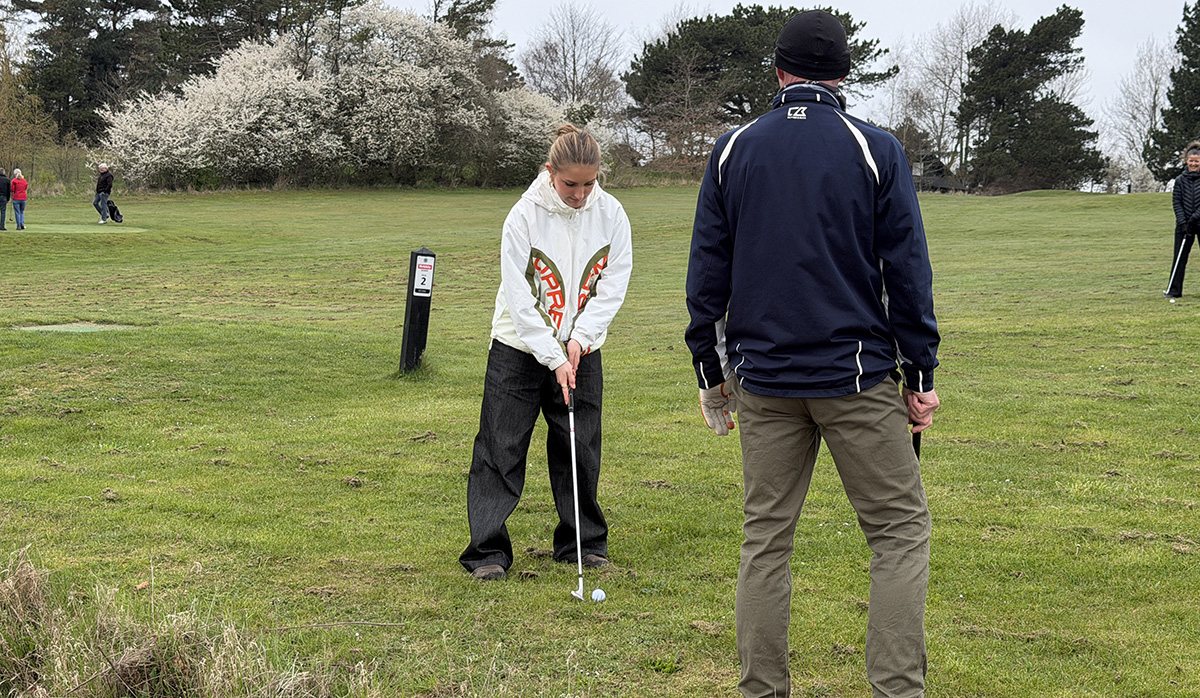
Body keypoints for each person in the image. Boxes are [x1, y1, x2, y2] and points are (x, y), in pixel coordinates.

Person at [684, 10, 940, 698]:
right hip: (853, 378)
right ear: (844, 75)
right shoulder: (875, 147)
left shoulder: (734, 147)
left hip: (763, 380)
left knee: (765, 539)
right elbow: (907, 272)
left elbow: (706, 269)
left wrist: (711, 376)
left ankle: (760, 689)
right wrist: (920, 375)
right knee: (900, 533)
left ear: (779, 71)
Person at [459, 124, 633, 582]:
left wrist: (580, 340)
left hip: (583, 350)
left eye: (588, 184)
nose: (579, 194)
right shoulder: (523, 216)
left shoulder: (612, 215)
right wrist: (552, 356)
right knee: (502, 446)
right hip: (518, 349)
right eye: (569, 183)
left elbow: (613, 286)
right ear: (551, 172)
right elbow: (519, 297)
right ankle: (488, 552)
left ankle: (582, 545)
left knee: (579, 446)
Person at [1166, 141, 1200, 300]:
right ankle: (1174, 290)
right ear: (1186, 161)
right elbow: (1176, 202)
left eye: (1197, 161)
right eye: (1191, 161)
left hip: (1198, 222)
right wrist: (1183, 222)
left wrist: (1194, 219)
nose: (1193, 164)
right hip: (1183, 225)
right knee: (1179, 258)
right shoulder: (1180, 180)